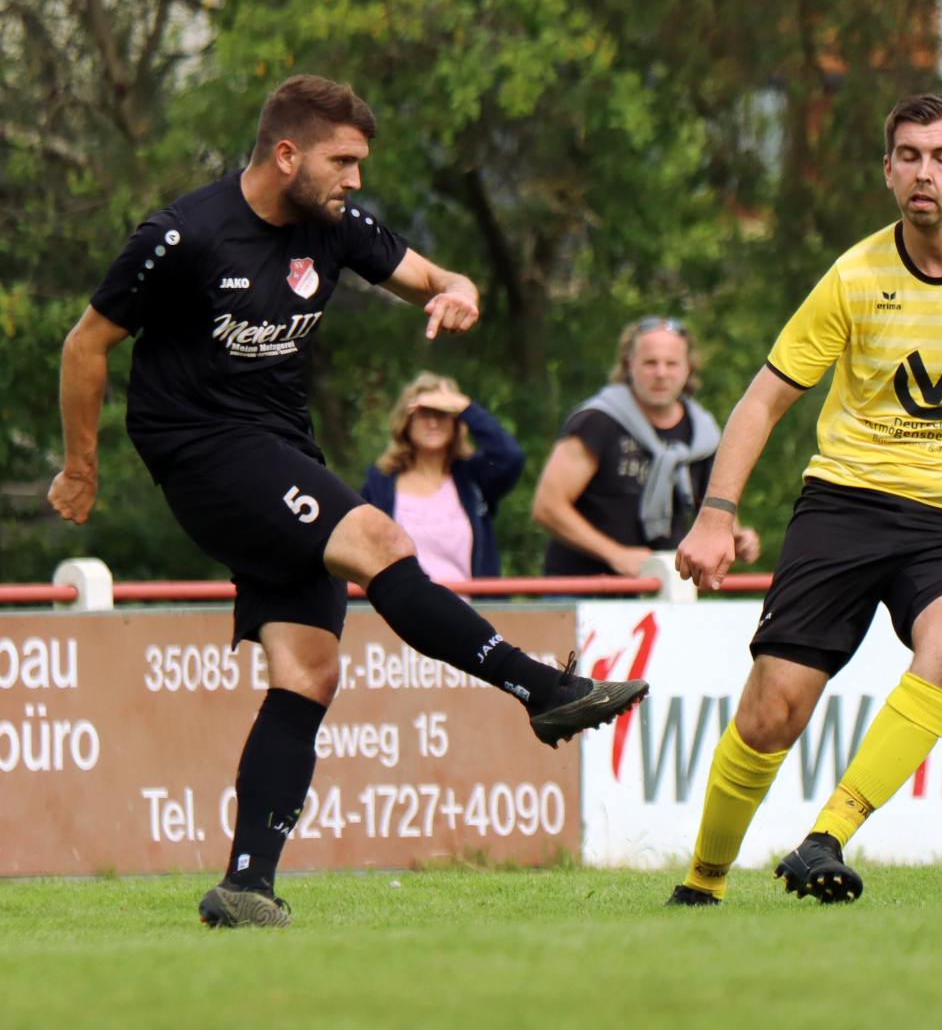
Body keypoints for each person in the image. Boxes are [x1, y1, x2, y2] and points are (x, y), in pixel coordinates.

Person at [48, 74, 647, 929]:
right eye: (343, 161)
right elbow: (86, 344)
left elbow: (432, 275)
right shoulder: (183, 234)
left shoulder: (336, 227)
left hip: (281, 449)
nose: (356, 179)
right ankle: (540, 688)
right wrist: (81, 468)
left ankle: (246, 886)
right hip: (201, 451)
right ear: (287, 154)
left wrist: (459, 289)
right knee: (378, 541)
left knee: (309, 672)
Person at [665, 92, 942, 906]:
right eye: (910, 157)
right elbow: (762, 401)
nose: (926, 173)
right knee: (772, 714)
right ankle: (702, 880)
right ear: (887, 171)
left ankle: (827, 837)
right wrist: (717, 514)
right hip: (844, 506)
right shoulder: (853, 277)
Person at [533, 317, 759, 577]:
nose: (661, 373)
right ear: (629, 365)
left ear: (688, 368)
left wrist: (738, 539)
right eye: (650, 363)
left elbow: (713, 511)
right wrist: (615, 555)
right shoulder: (597, 421)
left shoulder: (703, 434)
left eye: (671, 364)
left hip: (666, 584)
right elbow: (547, 506)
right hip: (584, 586)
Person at [361, 374, 524, 582]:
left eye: (442, 414)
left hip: (466, 602)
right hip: (403, 603)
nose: (432, 423)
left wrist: (466, 407)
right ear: (406, 422)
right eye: (423, 414)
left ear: (456, 422)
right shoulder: (380, 483)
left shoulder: (473, 477)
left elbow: (510, 457)